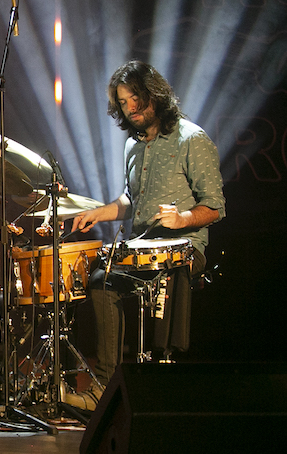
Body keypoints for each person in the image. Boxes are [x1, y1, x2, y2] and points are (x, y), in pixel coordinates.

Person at [63, 61, 225, 410]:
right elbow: (130, 200)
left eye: (135, 97)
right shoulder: (133, 146)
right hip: (141, 250)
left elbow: (215, 207)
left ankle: (161, 386)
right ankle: (104, 389)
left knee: (161, 280)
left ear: (155, 94)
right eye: (122, 102)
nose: (130, 107)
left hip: (184, 251)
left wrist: (182, 218)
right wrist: (97, 212)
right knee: (101, 279)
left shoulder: (192, 140)